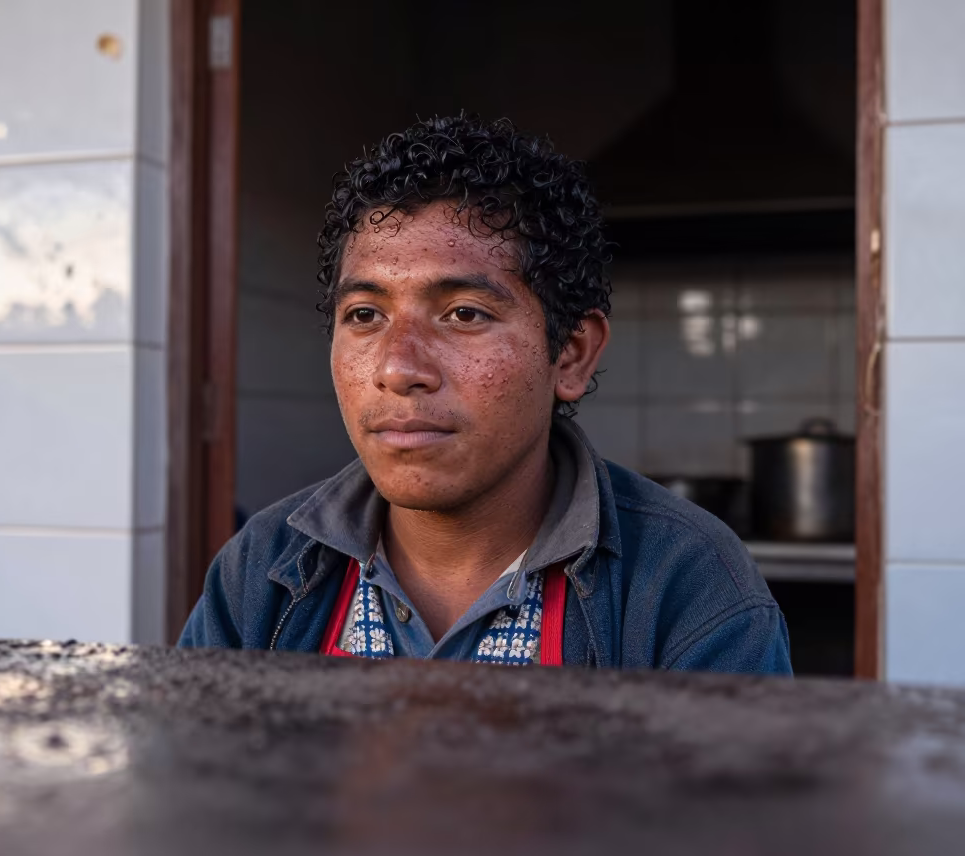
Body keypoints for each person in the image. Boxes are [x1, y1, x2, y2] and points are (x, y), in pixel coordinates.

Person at [179, 114, 791, 674]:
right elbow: (196, 785)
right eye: (365, 314)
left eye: (464, 314)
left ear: (571, 354)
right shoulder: (268, 567)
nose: (398, 368)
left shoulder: (690, 586)